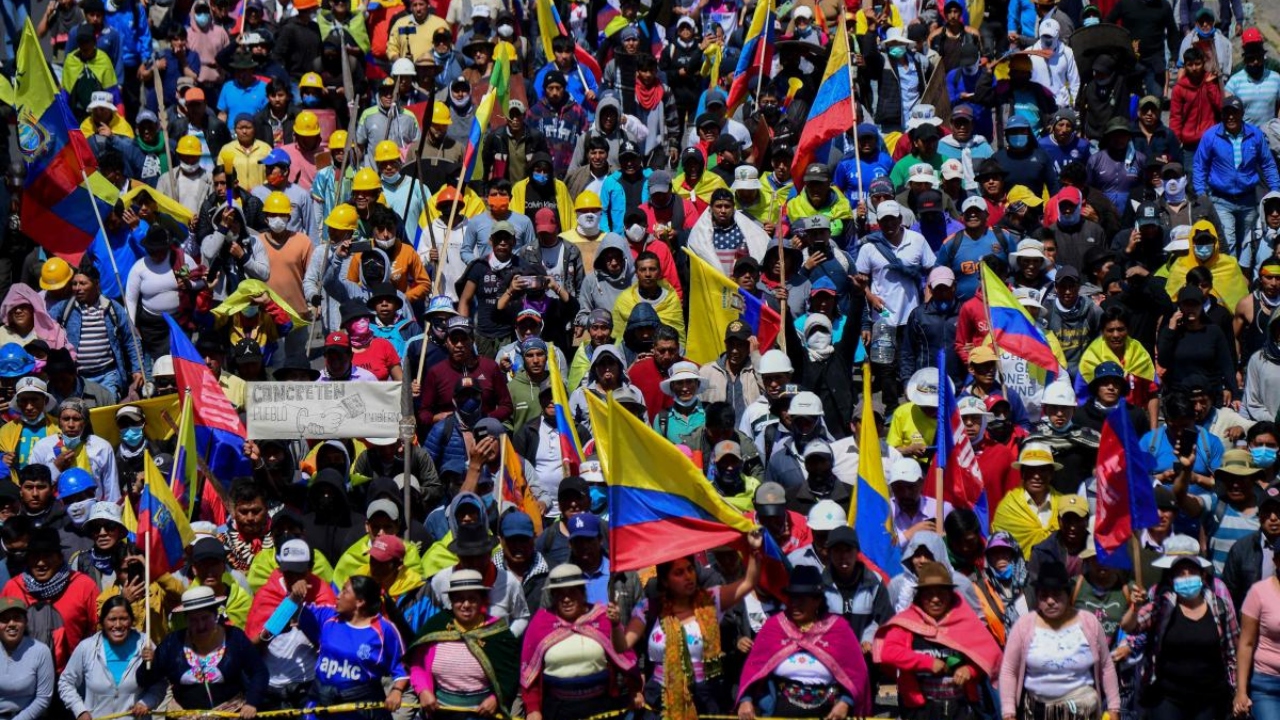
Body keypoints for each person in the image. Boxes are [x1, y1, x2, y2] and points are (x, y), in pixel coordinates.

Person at [610, 531, 764, 719]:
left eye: (690, 569)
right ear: (665, 581)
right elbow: (622, 645)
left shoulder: (711, 600)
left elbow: (749, 582)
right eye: (679, 573)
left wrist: (755, 550)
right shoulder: (648, 608)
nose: (688, 577)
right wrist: (616, 624)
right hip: (660, 700)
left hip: (705, 699)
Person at [1121, 534, 1239, 720]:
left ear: (1202, 574)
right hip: (1168, 698)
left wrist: (1237, 692)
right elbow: (1130, 627)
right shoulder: (1162, 605)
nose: (1186, 577)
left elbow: (1233, 653)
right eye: (1179, 572)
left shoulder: (1220, 607)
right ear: (1171, 577)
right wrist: (1135, 608)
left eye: (1191, 571)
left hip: (1210, 699)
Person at [874, 560, 1003, 719]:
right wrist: (927, 663)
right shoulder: (906, 623)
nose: (935, 599)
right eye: (929, 593)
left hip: (961, 708)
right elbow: (889, 652)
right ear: (920, 596)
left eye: (941, 593)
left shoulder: (966, 621)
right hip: (921, 710)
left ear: (950, 594)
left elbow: (989, 658)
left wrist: (970, 670)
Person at [999, 560, 1122, 720]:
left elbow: (1106, 666)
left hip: (1083, 712)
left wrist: (1114, 707)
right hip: (1037, 712)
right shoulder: (1023, 626)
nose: (1050, 601)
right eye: (1044, 596)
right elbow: (1009, 671)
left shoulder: (1089, 622)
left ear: (1068, 594)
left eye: (1057, 594)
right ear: (1037, 597)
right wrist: (1009, 713)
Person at [519, 564, 641, 720]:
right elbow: (529, 672)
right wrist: (532, 709)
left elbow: (624, 656)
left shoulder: (602, 618)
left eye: (572, 592)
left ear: (582, 593)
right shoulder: (541, 623)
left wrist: (634, 690)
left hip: (600, 707)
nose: (567, 599)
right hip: (557, 709)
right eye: (559, 594)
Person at [137, 586, 267, 716]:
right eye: (194, 620)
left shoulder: (235, 637)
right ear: (186, 620)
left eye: (205, 618)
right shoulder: (172, 643)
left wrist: (252, 702)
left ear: (216, 615)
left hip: (230, 713)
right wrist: (149, 663)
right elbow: (144, 680)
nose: (201, 626)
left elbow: (259, 672)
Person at [408, 569, 520, 717]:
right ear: (451, 600)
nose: (466, 605)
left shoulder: (497, 633)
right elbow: (418, 666)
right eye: (459, 599)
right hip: (439, 711)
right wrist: (423, 691)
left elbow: (510, 675)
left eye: (472, 599)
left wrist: (495, 700)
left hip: (482, 713)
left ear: (482, 600)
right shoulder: (436, 625)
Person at [58, 596, 164, 720]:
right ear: (102, 622)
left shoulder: (145, 645)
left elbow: (160, 683)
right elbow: (65, 682)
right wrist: (80, 711)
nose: (118, 625)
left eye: (123, 619)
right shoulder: (87, 648)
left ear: (131, 620)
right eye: (112, 619)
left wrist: (146, 702)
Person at [0, 596, 55, 720]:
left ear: (25, 622)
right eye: (5, 620)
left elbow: (44, 698)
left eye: (17, 618)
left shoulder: (40, 651)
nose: (11, 624)